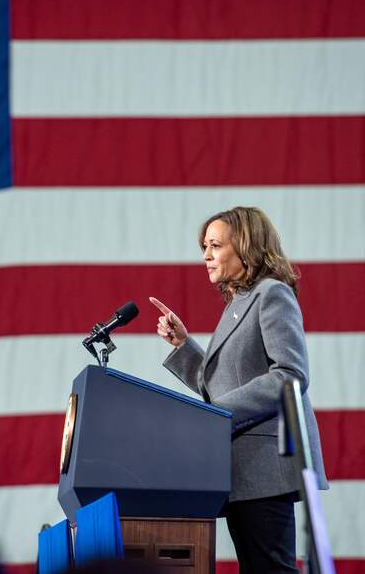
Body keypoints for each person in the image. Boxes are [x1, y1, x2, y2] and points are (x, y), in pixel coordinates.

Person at [150, 206, 328, 574]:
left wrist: (215, 415)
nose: (206, 255)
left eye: (215, 245)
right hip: (239, 470)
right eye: (204, 246)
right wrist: (184, 346)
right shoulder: (238, 303)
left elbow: (290, 376)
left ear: (246, 248)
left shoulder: (271, 294)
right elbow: (223, 386)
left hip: (266, 468)